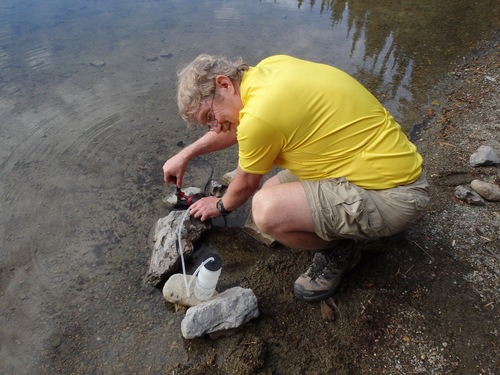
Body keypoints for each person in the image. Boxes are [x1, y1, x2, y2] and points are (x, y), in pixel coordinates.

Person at [162, 54, 429, 302]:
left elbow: (244, 187)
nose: (216, 127)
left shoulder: (259, 117)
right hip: (383, 166)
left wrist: (219, 205)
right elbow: (237, 128)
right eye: (207, 124)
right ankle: (337, 232)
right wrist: (186, 155)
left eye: (211, 116)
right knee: (273, 187)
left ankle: (339, 252)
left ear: (224, 84)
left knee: (266, 210)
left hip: (395, 196)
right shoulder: (268, 70)